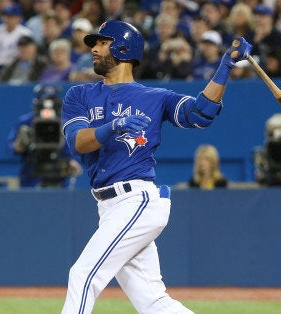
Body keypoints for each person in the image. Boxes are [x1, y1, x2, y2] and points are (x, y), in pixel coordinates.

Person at [60, 20, 251, 313]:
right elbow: (77, 142)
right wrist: (114, 126)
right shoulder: (79, 95)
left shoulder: (154, 97)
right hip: (109, 207)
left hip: (137, 200)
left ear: (124, 48)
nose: (94, 48)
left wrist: (224, 67)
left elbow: (201, 113)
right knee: (153, 302)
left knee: (83, 274)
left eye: (102, 42)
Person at [6, 84, 82, 188]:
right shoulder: (25, 121)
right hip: (32, 170)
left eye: (52, 100)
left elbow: (75, 146)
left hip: (59, 170)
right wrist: (19, 145)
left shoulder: (67, 122)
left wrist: (73, 161)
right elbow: (10, 147)